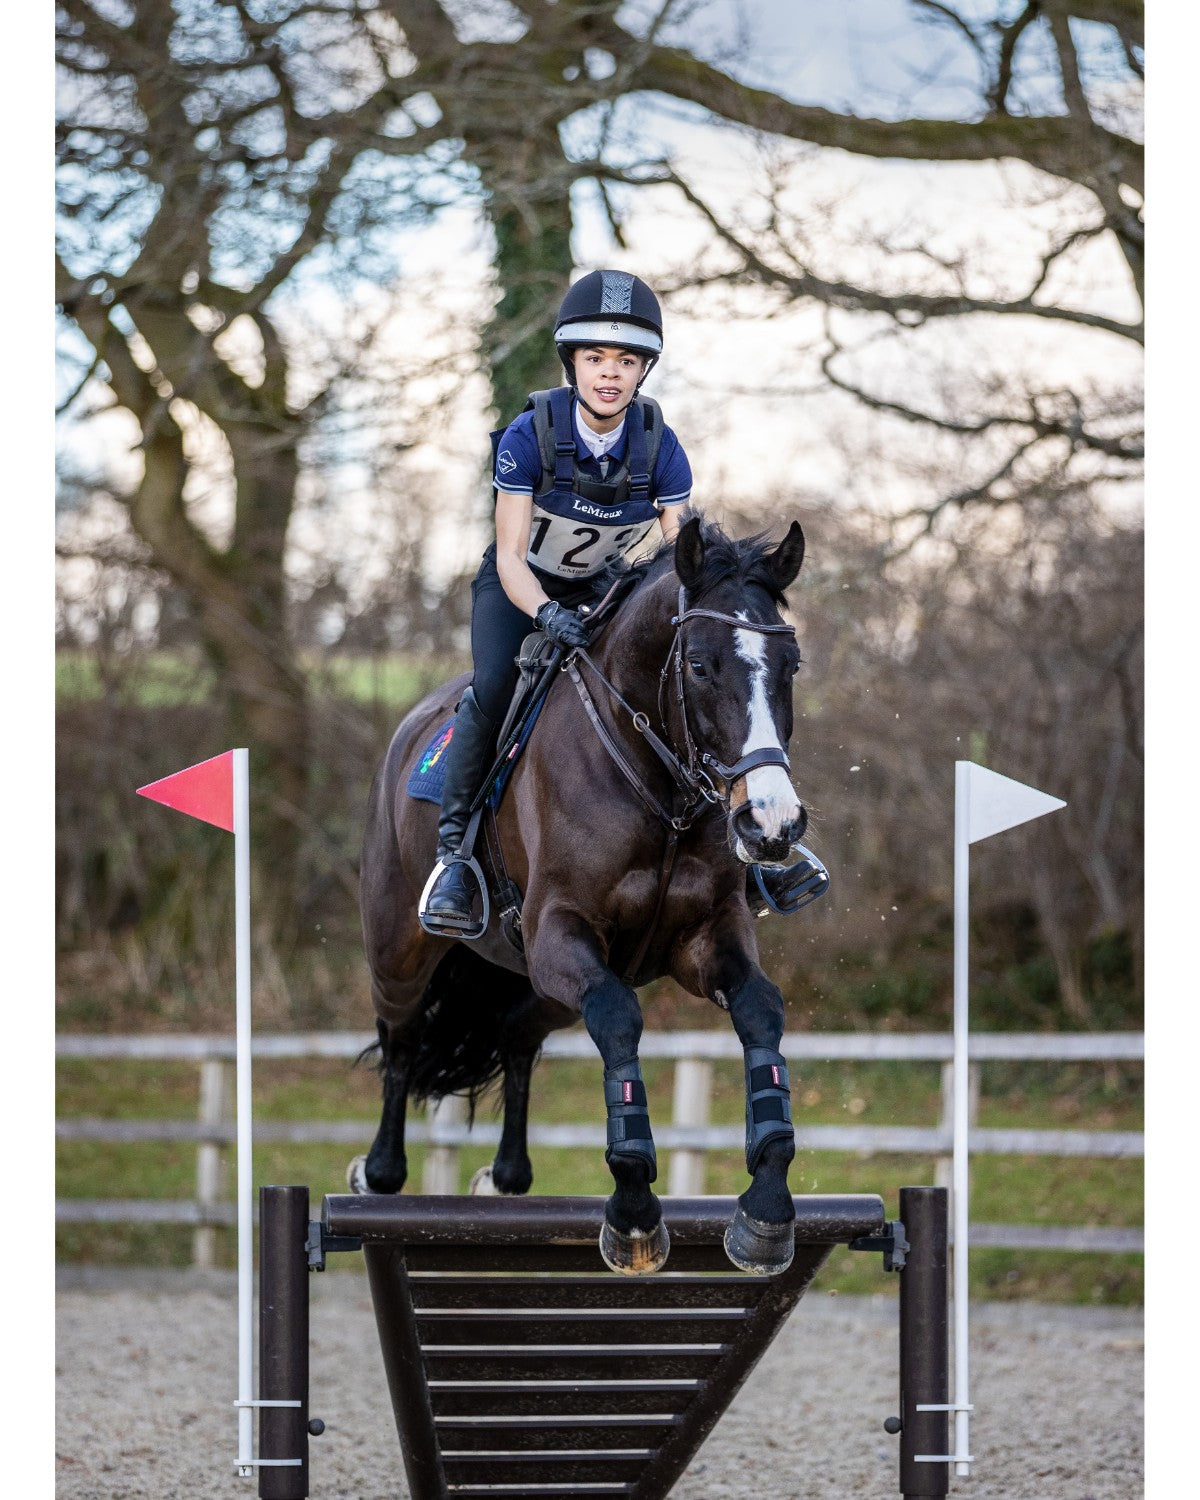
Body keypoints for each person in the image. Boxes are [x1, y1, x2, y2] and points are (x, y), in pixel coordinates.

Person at [418, 269, 692, 935]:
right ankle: (453, 854)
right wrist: (544, 613)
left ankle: (751, 845)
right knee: (494, 683)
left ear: (642, 371)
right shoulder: (528, 438)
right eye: (596, 358)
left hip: (605, 592)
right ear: (572, 362)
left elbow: (684, 561)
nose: (610, 374)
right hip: (520, 589)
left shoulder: (661, 449)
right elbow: (511, 557)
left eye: (626, 361)